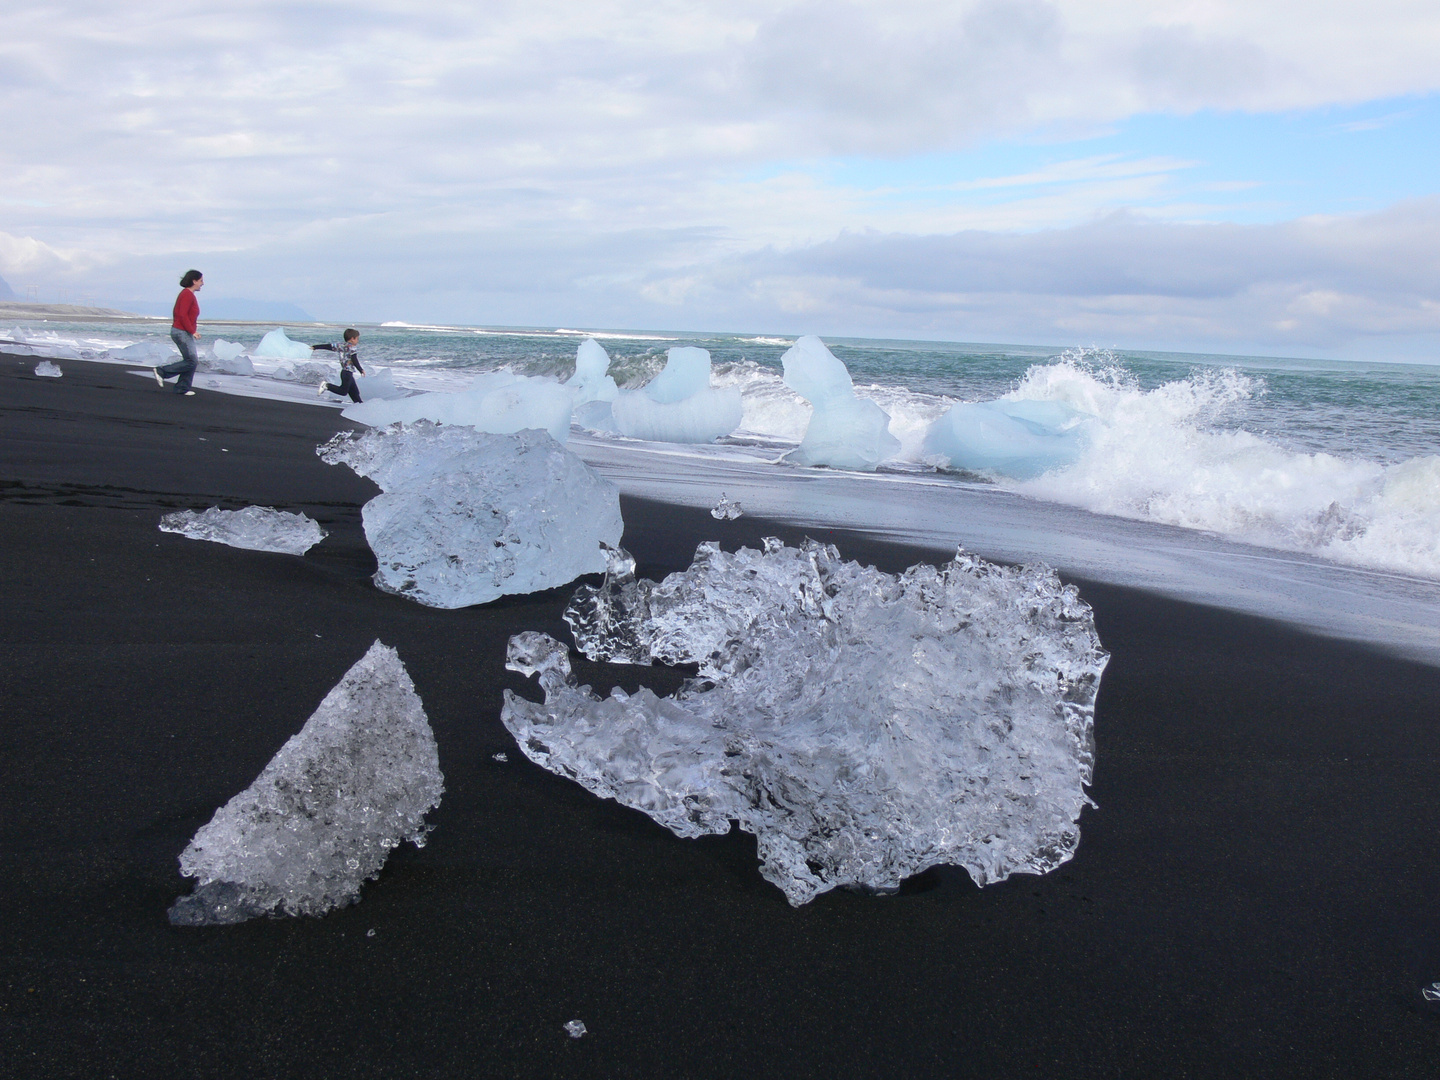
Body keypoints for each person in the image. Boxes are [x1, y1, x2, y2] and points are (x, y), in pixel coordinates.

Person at [154, 270, 203, 395]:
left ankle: (182, 388)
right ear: (194, 281)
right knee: (192, 361)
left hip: (182, 331)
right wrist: (192, 331)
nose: (202, 284)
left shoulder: (188, 294)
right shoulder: (187, 294)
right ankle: (162, 372)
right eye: (201, 281)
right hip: (182, 332)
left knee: (191, 360)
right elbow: (182, 315)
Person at [314, 329, 365, 403]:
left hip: (345, 372)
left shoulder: (341, 345)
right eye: (357, 339)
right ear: (352, 339)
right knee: (343, 391)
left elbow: (328, 346)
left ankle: (360, 406)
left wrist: (315, 347)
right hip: (347, 373)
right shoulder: (352, 347)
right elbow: (354, 359)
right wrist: (361, 370)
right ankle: (326, 385)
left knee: (355, 393)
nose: (358, 341)